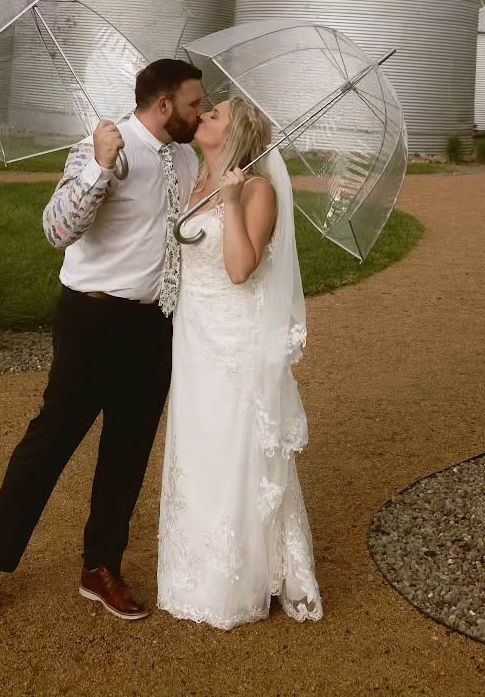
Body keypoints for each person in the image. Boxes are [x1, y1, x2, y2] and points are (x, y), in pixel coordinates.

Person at [0, 58, 204, 629]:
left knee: (128, 452)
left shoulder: (187, 159)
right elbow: (56, 230)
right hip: (91, 320)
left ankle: (101, 566)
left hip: (154, 326)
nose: (200, 112)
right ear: (164, 105)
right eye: (193, 103)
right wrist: (100, 167)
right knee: (48, 446)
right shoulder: (100, 145)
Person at [157, 97, 323, 629]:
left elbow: (238, 269)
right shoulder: (194, 181)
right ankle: (193, 564)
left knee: (234, 447)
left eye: (216, 114)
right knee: (199, 444)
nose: (203, 116)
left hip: (235, 341)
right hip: (194, 336)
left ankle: (237, 579)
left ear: (239, 134)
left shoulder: (257, 190)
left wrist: (230, 202)